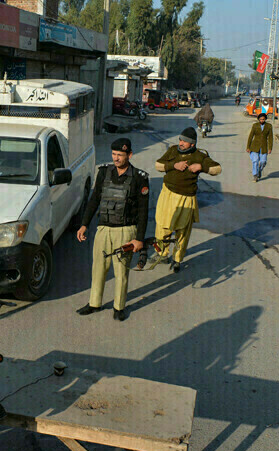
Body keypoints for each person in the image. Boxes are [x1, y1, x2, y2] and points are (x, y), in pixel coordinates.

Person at [76, 138, 149, 321]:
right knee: (98, 268)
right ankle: (94, 302)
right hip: (104, 229)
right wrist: (84, 224)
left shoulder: (139, 178)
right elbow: (94, 200)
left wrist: (139, 239)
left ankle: (119, 307)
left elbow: (143, 211)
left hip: (125, 231)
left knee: (121, 271)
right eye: (114, 154)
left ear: (129, 155)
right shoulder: (104, 173)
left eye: (120, 155)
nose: (116, 158)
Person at [152, 127, 222, 273]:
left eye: (185, 141)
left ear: (192, 143)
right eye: (180, 139)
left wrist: (201, 167)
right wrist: (173, 165)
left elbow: (217, 168)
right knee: (162, 226)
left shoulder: (199, 156)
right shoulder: (172, 150)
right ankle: (161, 254)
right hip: (167, 194)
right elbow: (158, 165)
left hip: (186, 198)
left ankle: (177, 259)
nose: (181, 143)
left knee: (182, 231)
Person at [246, 112, 273, 182]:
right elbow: (251, 136)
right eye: (260, 119)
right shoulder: (255, 125)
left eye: (263, 119)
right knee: (255, 161)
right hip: (254, 146)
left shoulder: (269, 126)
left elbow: (270, 138)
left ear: (265, 119)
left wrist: (270, 148)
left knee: (263, 162)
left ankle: (259, 170)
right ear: (258, 119)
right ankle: (255, 176)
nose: (262, 121)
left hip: (264, 147)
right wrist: (248, 147)